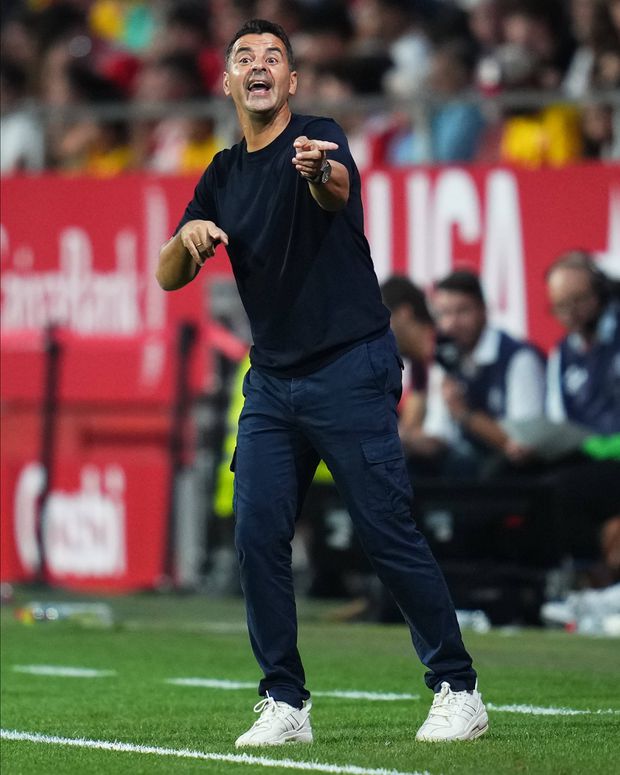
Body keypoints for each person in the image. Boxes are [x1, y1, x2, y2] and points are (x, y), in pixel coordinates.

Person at [156, 19, 488, 746]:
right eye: (245, 56)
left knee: (384, 527)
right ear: (228, 81)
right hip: (273, 381)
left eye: (274, 56)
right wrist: (186, 240)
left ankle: (458, 686)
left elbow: (334, 190)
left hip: (349, 365)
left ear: (292, 80)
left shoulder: (319, 140)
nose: (260, 65)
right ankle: (284, 701)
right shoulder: (221, 174)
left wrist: (316, 173)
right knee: (257, 534)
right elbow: (167, 276)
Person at [421, 270, 546, 478]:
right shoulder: (445, 360)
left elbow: (524, 443)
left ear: (484, 310)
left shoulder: (519, 359)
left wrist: (464, 414)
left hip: (513, 474)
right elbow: (438, 436)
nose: (451, 323)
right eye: (444, 314)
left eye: (462, 311)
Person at [544, 251, 620, 578]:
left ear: (601, 294)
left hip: (612, 456)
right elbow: (558, 417)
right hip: (585, 455)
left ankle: (591, 574)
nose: (570, 313)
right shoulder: (563, 353)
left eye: (578, 300)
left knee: (566, 487)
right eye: (561, 306)